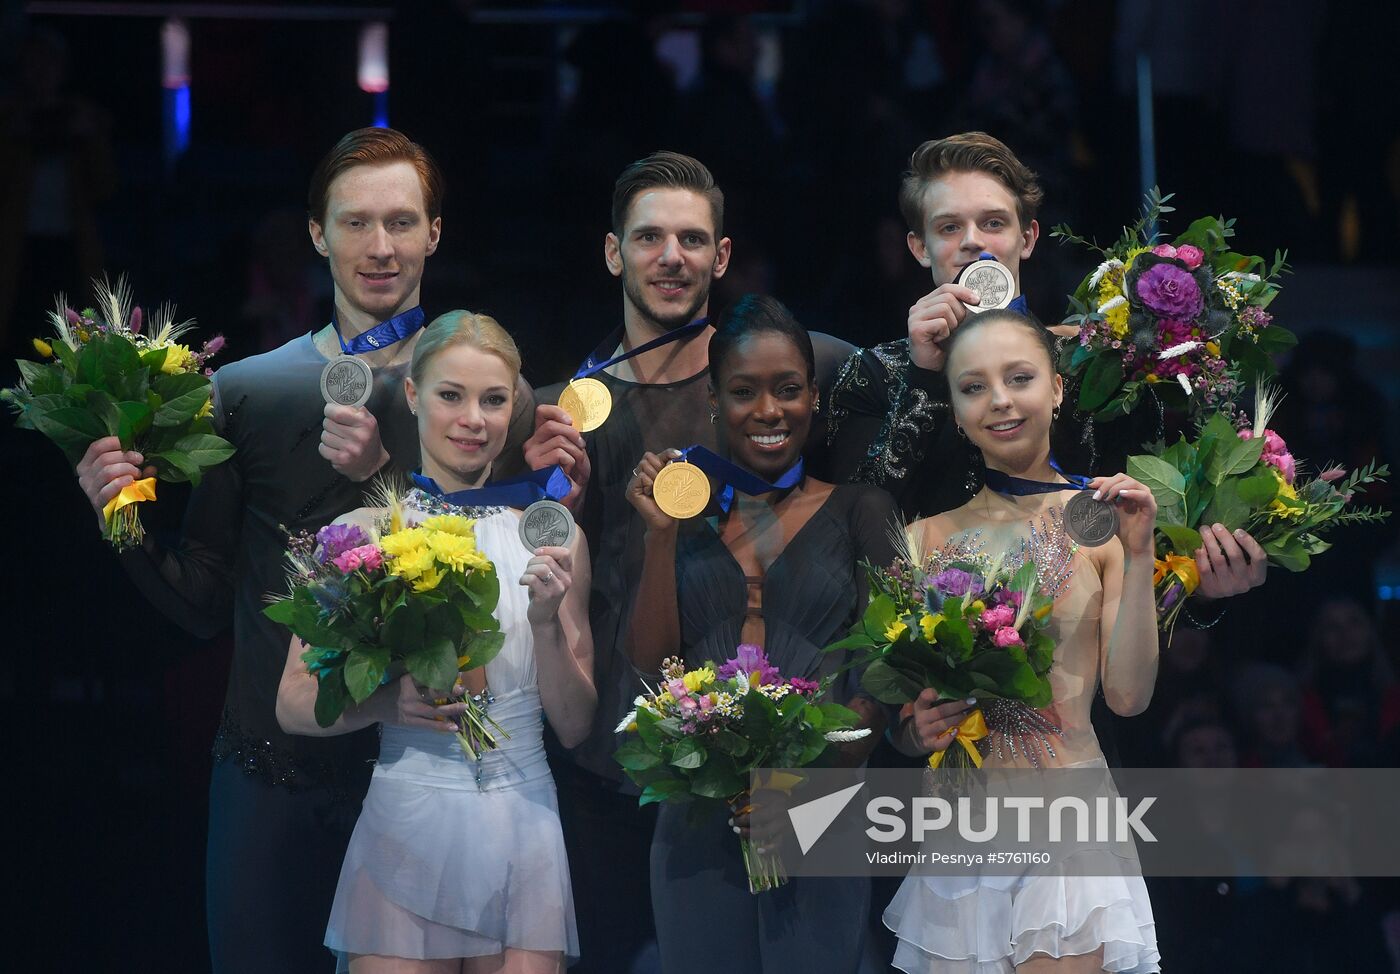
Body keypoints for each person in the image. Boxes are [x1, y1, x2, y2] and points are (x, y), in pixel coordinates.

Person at [70, 128, 533, 972]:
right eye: (356, 223)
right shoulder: (246, 390)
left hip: (426, 779)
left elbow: (508, 575)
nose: (380, 247)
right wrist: (123, 522)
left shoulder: (490, 397)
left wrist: (389, 472)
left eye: (401, 222)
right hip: (269, 779)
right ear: (317, 234)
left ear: (435, 231)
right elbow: (205, 600)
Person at [522, 152, 855, 972]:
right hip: (610, 751)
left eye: (692, 239)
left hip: (758, 763)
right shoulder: (568, 408)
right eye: (650, 238)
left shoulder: (785, 373)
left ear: (723, 255)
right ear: (613, 253)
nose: (672, 257)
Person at [624, 294, 961, 971]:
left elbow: (885, 677)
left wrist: (798, 790)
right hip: (696, 820)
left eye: (788, 389)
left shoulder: (865, 510)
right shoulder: (684, 519)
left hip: (821, 814)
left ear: (814, 397)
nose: (769, 411)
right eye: (745, 392)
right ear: (715, 401)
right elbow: (652, 670)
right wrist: (660, 538)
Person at [277, 311, 594, 973]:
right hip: (406, 822)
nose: (472, 418)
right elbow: (293, 703)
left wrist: (545, 624)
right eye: (451, 395)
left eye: (493, 399)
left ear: (515, 409)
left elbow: (574, 724)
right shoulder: (364, 531)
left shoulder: (551, 535)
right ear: (416, 396)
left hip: (522, 823)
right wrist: (384, 704)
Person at [824, 131, 1266, 605]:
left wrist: (1203, 594)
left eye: (993, 222)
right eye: (949, 227)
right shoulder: (875, 374)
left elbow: (1152, 545)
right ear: (920, 247)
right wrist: (925, 377)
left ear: (1028, 236)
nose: (973, 241)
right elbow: (851, 542)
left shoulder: (1099, 368)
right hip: (930, 660)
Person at [883, 308, 1161, 973]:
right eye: (974, 386)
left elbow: (1127, 696)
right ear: (953, 408)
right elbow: (905, 714)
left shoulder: (1104, 523)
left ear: (1059, 388)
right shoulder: (923, 539)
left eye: (1019, 377)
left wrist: (1142, 551)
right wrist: (914, 727)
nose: (999, 400)